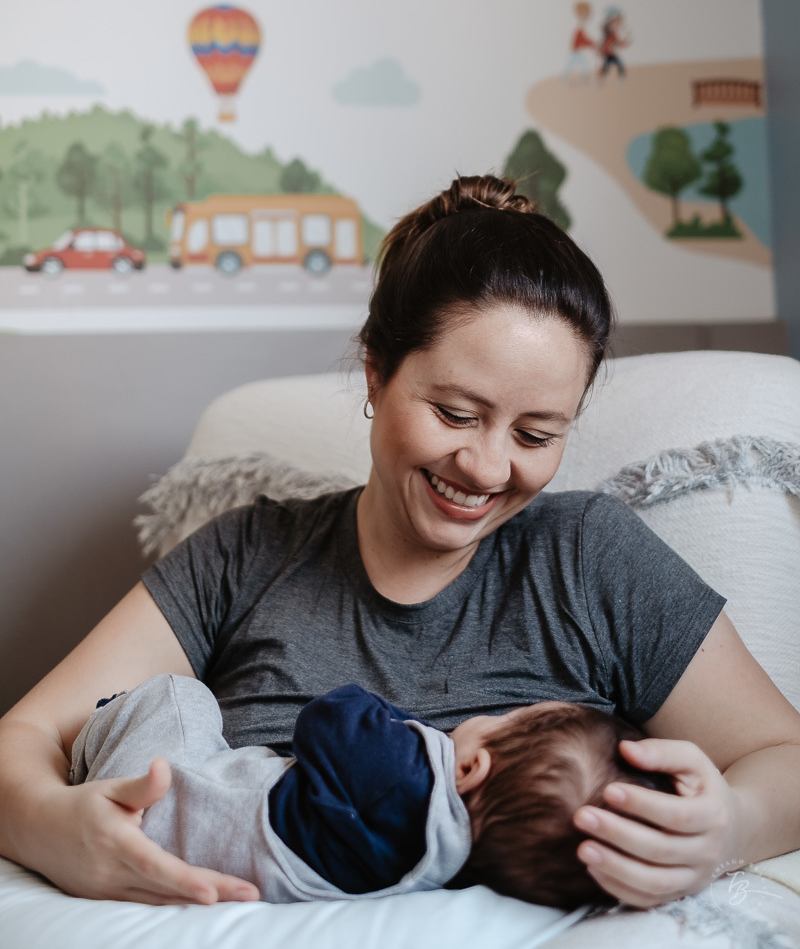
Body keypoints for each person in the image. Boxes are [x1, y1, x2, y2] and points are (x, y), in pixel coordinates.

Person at [1, 173, 799, 915]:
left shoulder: (591, 560)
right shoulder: (245, 556)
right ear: (378, 374)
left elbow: (782, 754)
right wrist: (53, 827)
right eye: (454, 413)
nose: (487, 467)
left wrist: (728, 827)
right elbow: (23, 738)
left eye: (536, 432)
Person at [70, 675, 673, 909]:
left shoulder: (404, 776)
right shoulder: (443, 871)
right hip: (196, 857)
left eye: (509, 717)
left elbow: (328, 717)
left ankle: (96, 741)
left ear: (473, 769)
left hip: (160, 800)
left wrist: (405, 727)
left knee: (179, 696)